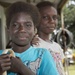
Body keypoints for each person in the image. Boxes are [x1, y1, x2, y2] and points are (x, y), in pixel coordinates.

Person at [0, 1, 59, 75]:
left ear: (34, 29)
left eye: (28, 25)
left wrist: (21, 68)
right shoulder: (1, 56)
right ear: (8, 28)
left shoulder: (42, 55)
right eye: (15, 25)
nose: (22, 29)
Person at [32, 1, 65, 75]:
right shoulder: (33, 45)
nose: (52, 21)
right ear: (36, 20)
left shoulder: (57, 46)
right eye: (45, 17)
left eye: (54, 17)